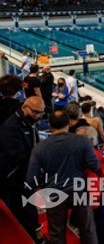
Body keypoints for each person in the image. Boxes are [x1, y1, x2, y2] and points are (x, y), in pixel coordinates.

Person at [26, 110, 101, 244]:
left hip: (54, 193)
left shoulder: (40, 147)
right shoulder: (82, 141)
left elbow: (31, 178)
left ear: (49, 125)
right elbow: (95, 166)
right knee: (87, 229)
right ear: (68, 123)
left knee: (57, 232)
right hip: (78, 191)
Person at [0, 96, 43, 239]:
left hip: (25, 175)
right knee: (22, 211)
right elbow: (17, 157)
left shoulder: (29, 123)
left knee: (28, 209)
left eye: (41, 113)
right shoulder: (11, 127)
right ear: (24, 107)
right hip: (14, 177)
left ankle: (31, 234)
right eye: (35, 112)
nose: (38, 116)